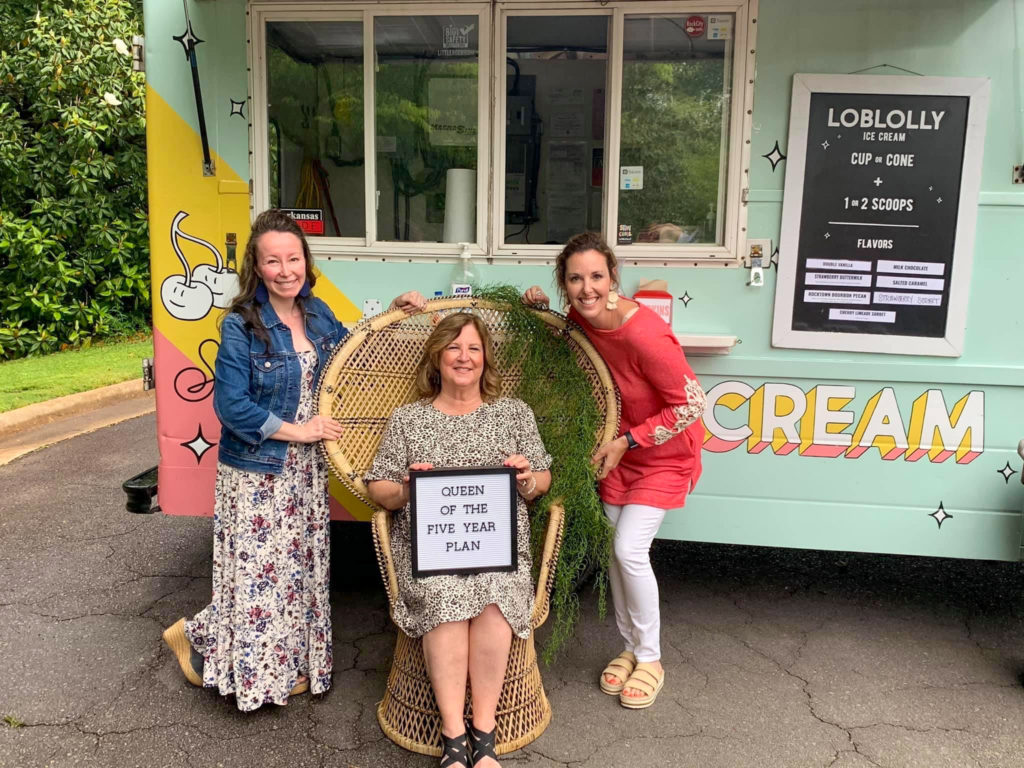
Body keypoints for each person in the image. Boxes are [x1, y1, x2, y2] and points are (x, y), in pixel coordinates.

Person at [162, 208, 425, 712]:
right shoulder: (241, 325)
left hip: (306, 471)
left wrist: (394, 311)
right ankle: (247, 668)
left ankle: (257, 654)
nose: (286, 270)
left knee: (296, 572)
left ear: (306, 261)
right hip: (259, 469)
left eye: (293, 258)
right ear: (256, 268)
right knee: (262, 573)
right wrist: (300, 430)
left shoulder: (319, 312)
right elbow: (230, 405)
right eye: (272, 261)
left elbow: (353, 353)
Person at [522, 231, 706, 710]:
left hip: (659, 453)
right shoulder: (579, 321)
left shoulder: (642, 331)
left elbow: (691, 405)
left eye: (597, 276)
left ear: (613, 278)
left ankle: (651, 658)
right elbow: (563, 351)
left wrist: (629, 440)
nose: (588, 288)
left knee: (629, 549)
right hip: (613, 452)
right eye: (576, 279)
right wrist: (537, 308)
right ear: (565, 284)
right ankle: (630, 648)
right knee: (612, 553)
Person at [365, 312, 552, 768]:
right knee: (445, 596)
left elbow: (543, 478)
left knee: (492, 598)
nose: (463, 357)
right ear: (437, 356)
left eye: (473, 348)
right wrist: (408, 488)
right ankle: (453, 736)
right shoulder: (410, 419)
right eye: (454, 347)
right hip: (432, 553)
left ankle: (484, 735)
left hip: (498, 550)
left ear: (486, 359)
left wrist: (527, 479)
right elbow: (379, 488)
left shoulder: (513, 413)